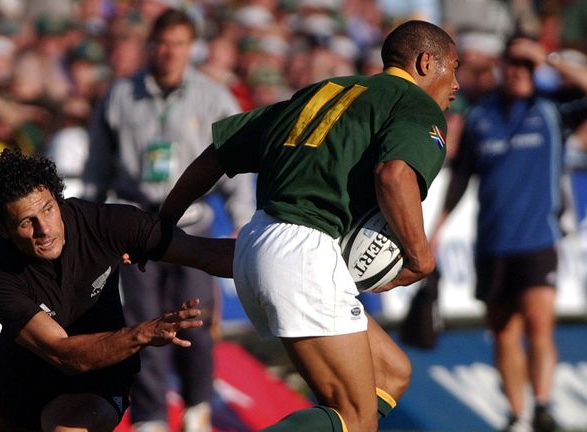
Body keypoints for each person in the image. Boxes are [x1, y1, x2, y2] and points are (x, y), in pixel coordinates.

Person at [159, 20, 459, 431]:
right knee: (355, 417)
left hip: (260, 241)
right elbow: (393, 175)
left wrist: (164, 220)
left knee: (391, 373)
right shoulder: (416, 104)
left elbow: (217, 154)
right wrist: (421, 258)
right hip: (304, 254)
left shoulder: (325, 90)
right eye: (453, 67)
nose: (456, 84)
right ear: (427, 62)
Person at [0, 149, 235, 432]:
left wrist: (274, 263)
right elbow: (63, 354)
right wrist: (143, 333)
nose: (43, 228)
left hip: (100, 375)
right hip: (23, 383)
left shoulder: (106, 224)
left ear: (57, 198)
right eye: (25, 222)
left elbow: (205, 253)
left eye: (47, 209)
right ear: (3, 230)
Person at [86, 9, 255, 432]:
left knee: (195, 323)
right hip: (133, 223)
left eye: (179, 43)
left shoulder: (214, 96)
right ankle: (150, 417)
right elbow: (97, 166)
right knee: (142, 327)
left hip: (192, 225)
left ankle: (197, 407)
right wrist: (91, 224)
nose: (169, 52)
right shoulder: (120, 95)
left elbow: (238, 161)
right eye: (162, 43)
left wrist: (243, 222)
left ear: (191, 47)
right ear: (151, 45)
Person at [431, 36, 569, 432]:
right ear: (501, 69)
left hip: (538, 241)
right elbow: (460, 177)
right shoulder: (481, 117)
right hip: (492, 244)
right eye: (512, 65)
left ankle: (542, 404)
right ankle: (517, 415)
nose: (517, 73)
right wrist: (437, 228)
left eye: (526, 68)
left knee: (539, 326)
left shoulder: (549, 110)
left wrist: (549, 59)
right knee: (504, 334)